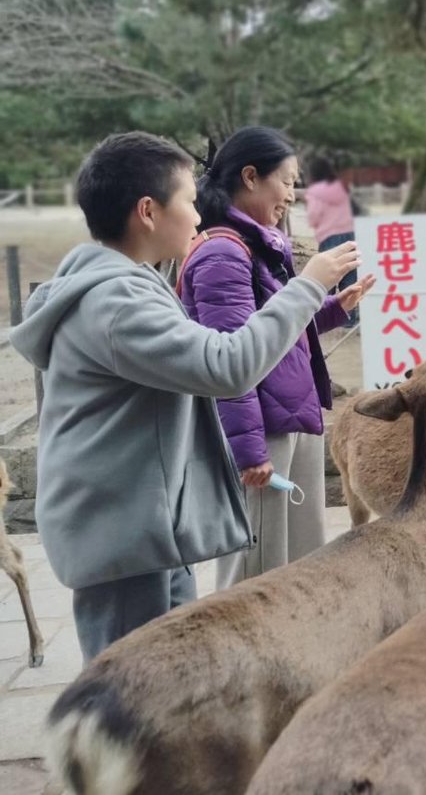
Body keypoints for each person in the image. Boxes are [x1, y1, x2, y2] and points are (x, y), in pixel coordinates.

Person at [10, 132, 360, 663]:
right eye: (190, 204)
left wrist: (319, 304)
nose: (199, 217)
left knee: (166, 687)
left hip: (145, 527)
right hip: (123, 536)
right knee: (136, 694)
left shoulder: (133, 283)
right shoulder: (117, 302)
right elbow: (226, 364)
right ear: (148, 211)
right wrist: (309, 285)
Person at [180, 126, 374, 589]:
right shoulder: (224, 254)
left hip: (289, 421)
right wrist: (250, 452)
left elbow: (274, 331)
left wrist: (332, 308)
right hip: (265, 434)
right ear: (250, 176)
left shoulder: (257, 244)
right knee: (257, 574)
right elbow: (230, 362)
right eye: (286, 181)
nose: (292, 194)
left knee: (293, 565)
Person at [303, 157, 358, 323]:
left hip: (329, 237)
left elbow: (313, 217)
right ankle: (349, 317)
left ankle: (324, 316)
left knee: (327, 276)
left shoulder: (315, 192)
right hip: (350, 234)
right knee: (350, 275)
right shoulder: (342, 188)